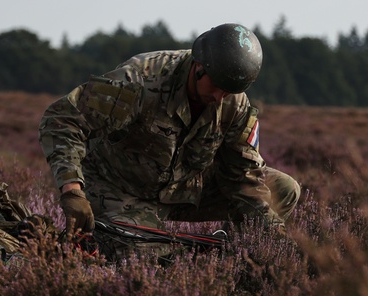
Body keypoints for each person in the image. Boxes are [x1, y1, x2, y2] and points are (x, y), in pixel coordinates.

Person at [38, 23, 301, 256]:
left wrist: (275, 237)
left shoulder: (235, 103)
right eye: (217, 86)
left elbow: (243, 177)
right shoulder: (140, 81)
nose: (221, 97)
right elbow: (62, 119)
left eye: (230, 91)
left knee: (284, 189)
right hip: (119, 188)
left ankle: (234, 253)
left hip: (185, 190)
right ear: (199, 67)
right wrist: (72, 191)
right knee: (147, 258)